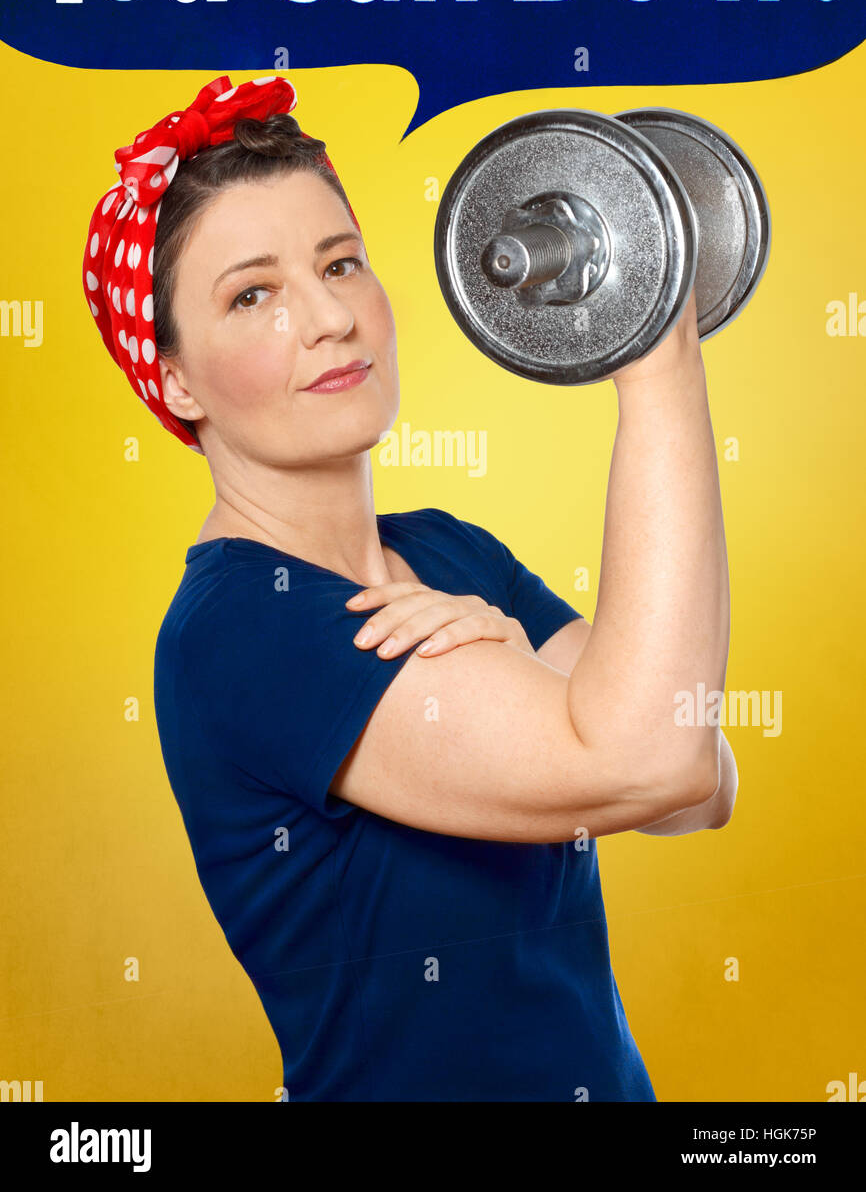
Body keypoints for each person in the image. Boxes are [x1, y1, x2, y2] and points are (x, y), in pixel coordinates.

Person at [82, 74, 737, 1102]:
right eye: (252, 294)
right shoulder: (240, 631)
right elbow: (646, 755)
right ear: (169, 377)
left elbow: (700, 775)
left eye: (339, 262)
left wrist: (513, 661)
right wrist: (653, 346)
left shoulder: (449, 551)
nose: (330, 318)